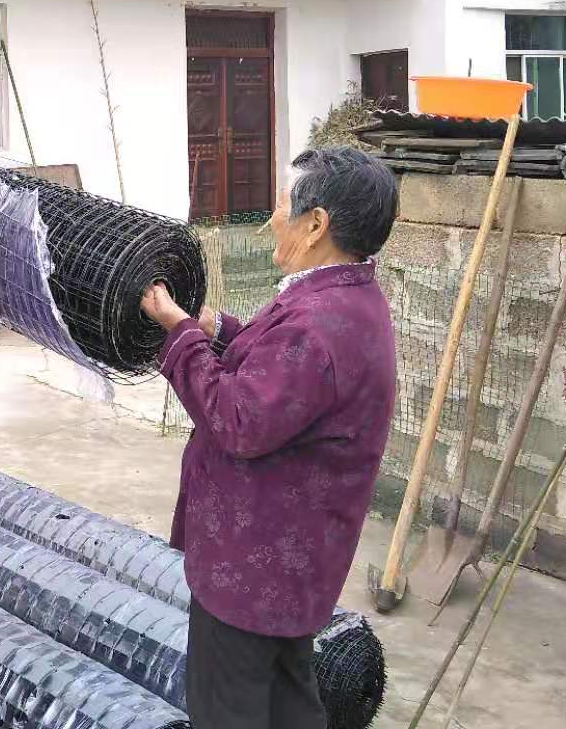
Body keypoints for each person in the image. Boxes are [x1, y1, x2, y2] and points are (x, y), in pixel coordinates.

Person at [140, 146, 399, 729]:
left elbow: (237, 418)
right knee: (287, 704)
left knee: (227, 709)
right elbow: (280, 381)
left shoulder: (318, 324)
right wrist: (214, 328)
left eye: (282, 205)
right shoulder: (345, 299)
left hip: (253, 570)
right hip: (291, 563)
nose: (271, 219)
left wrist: (179, 333)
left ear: (316, 225)